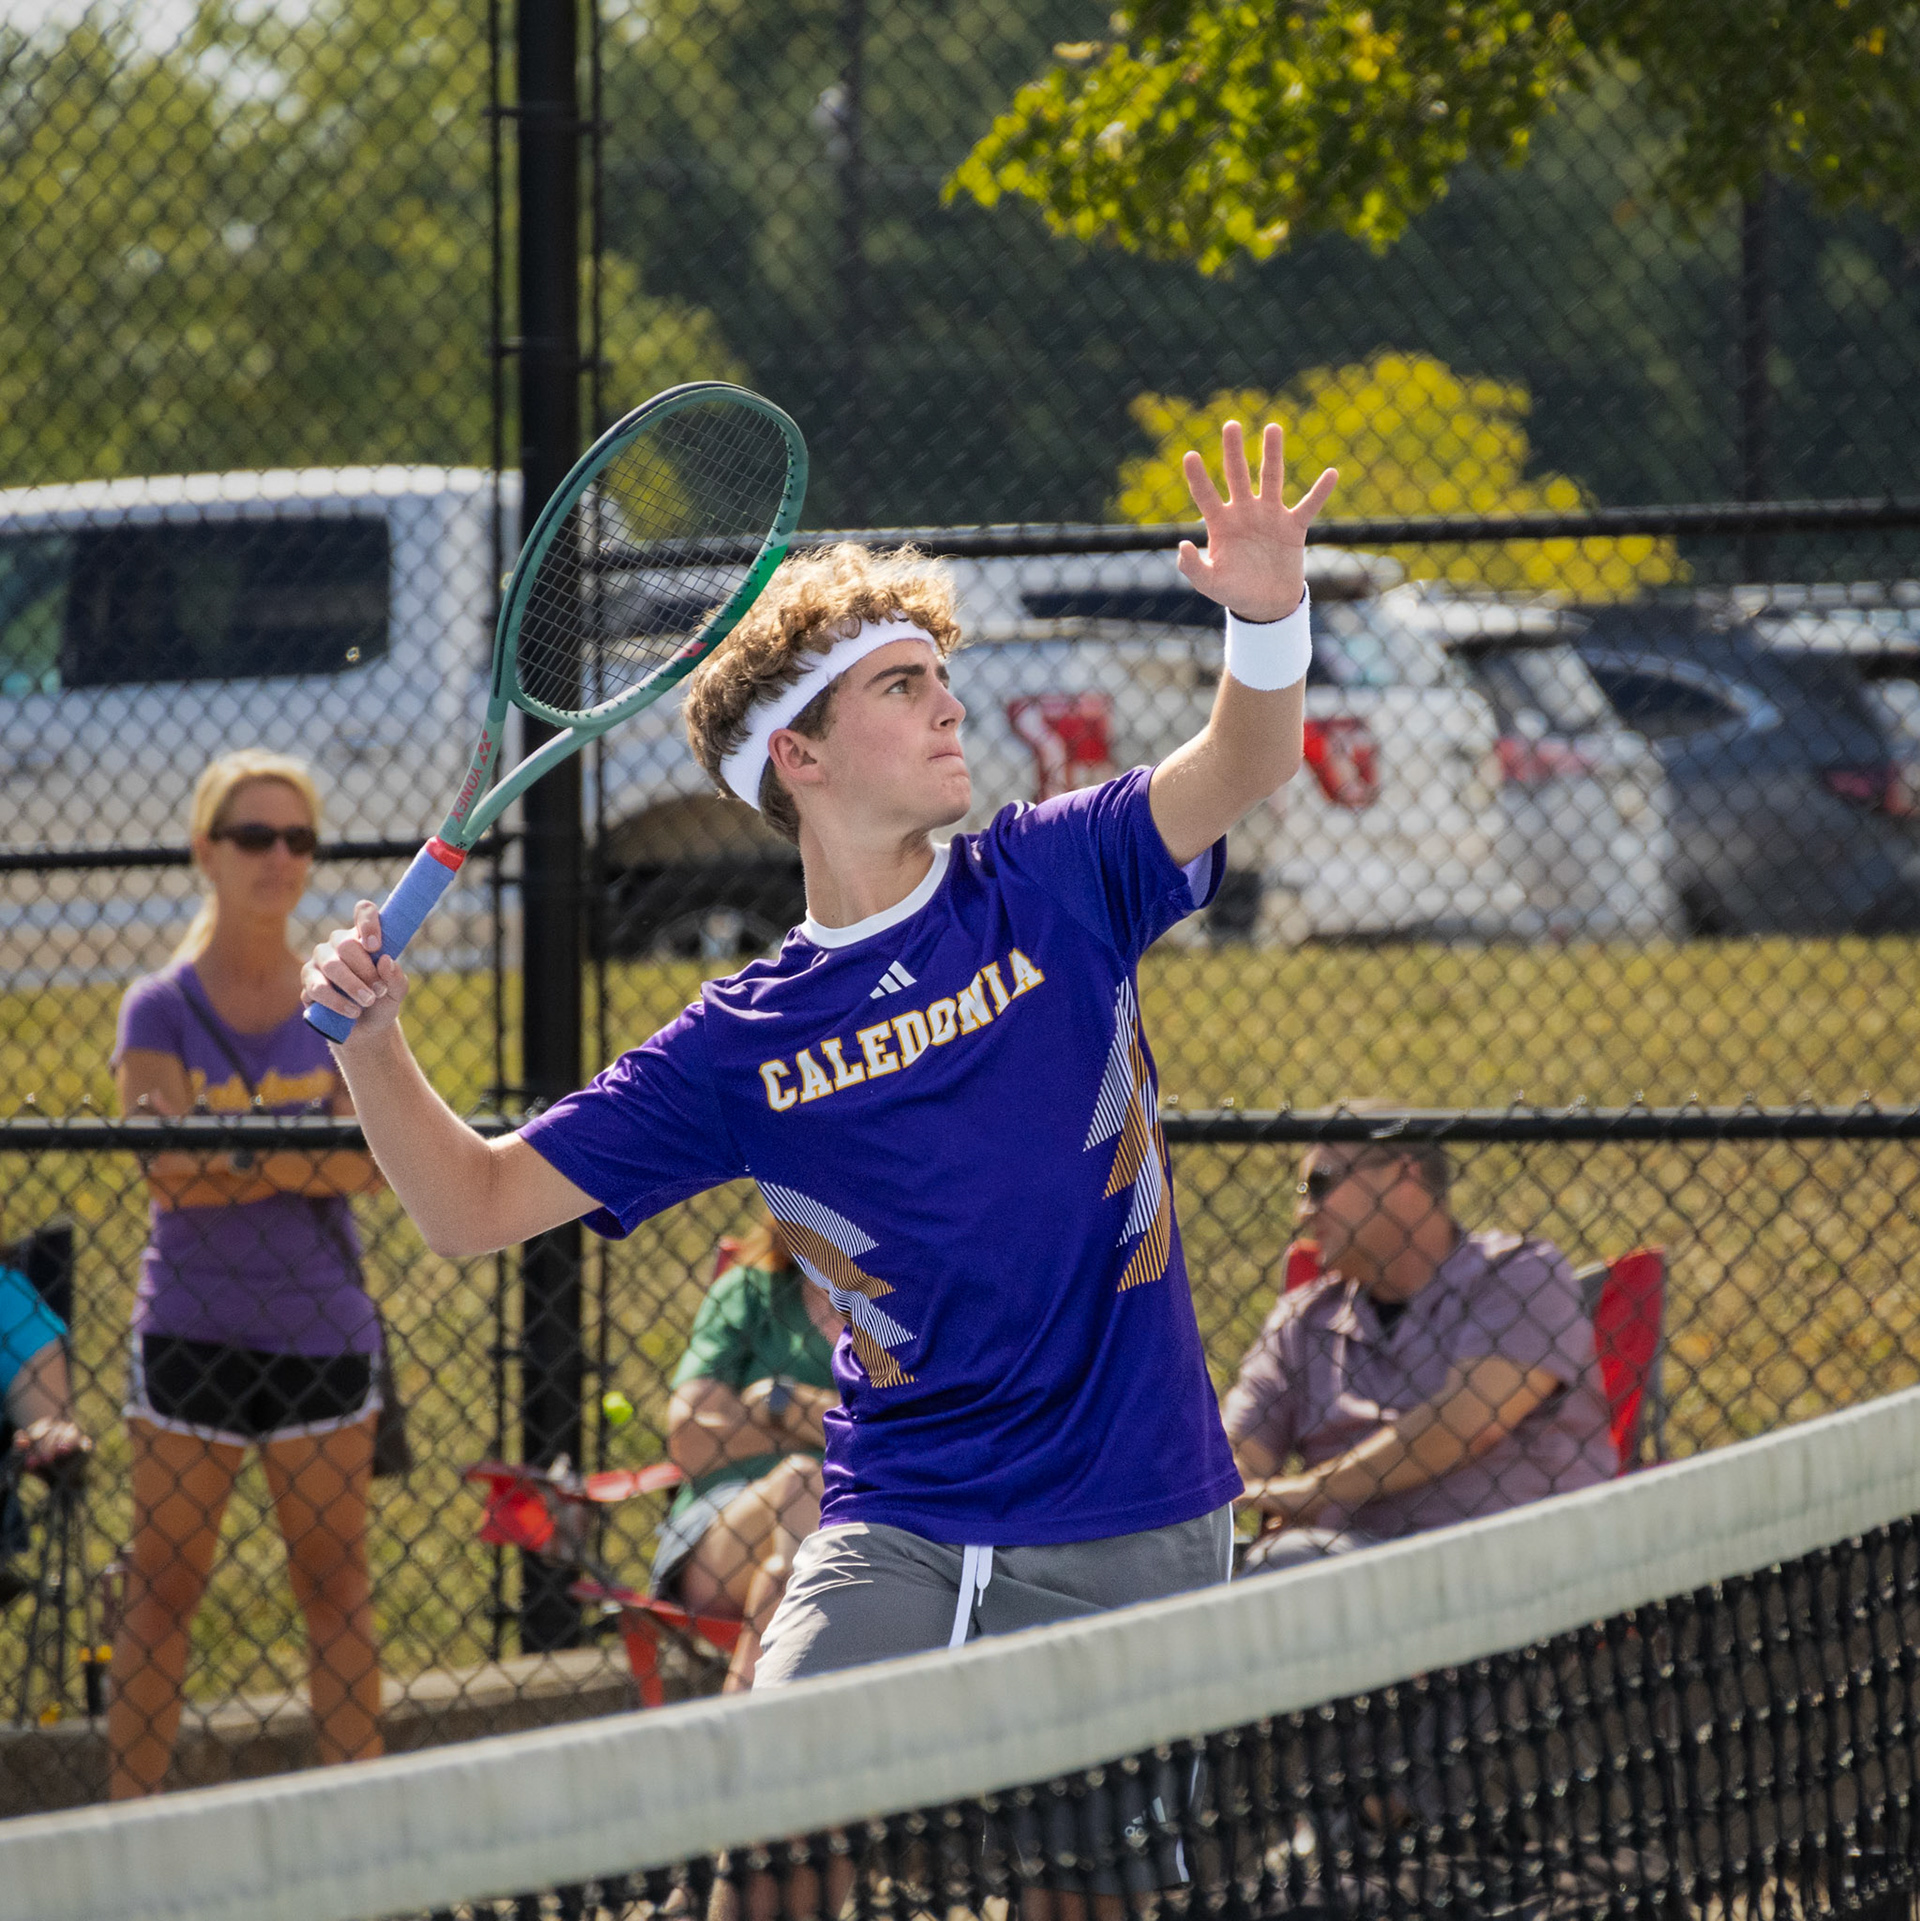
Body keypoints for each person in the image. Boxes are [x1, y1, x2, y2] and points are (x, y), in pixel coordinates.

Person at [304, 423, 1335, 1694]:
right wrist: (373, 1045)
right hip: (898, 1518)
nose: (949, 699)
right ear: (799, 756)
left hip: (1131, 1505)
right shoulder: (744, 1039)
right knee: (779, 1833)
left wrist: (1272, 614)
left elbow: (1249, 756)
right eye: (901, 686)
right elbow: (471, 1206)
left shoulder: (1054, 873)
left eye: (937, 673)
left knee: (1085, 1895)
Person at [107, 750, 388, 1799]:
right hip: (188, 1330)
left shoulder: (340, 998)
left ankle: (361, 1849)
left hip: (320, 1334)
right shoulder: (158, 1007)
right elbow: (161, 1171)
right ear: (204, 851)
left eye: (299, 839)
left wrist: (226, 1146)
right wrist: (295, 1146)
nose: (280, 859)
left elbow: (366, 1165)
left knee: (336, 1589)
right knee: (161, 1592)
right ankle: (123, 1839)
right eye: (254, 837)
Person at [1224, 1134, 1615, 1572]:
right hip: (1352, 1566)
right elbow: (1236, 1453)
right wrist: (1231, 1484)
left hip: (1518, 1563)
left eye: (1319, 1184)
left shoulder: (1520, 1274)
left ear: (1402, 1175)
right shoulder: (1304, 1317)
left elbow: (1467, 1422)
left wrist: (1314, 1491)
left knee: (1287, 1561)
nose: (1303, 1211)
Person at [660, 1215, 838, 1692]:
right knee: (802, 1483)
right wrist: (833, 1425)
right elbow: (692, 1438)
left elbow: (906, 1432)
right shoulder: (751, 1292)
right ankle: (747, 1721)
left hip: (852, 1531)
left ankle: (738, 1729)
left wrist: (785, 1403)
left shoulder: (896, 1311)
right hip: (718, 1535)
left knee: (799, 1543)